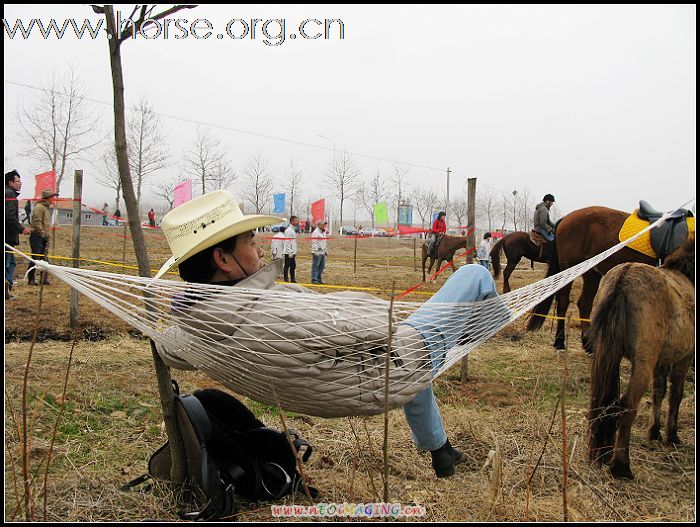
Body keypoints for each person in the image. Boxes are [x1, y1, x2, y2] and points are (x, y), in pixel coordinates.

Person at [153, 191, 506, 478]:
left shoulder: (193, 330)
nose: (260, 249)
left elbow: (167, 350)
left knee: (411, 371)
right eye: (250, 241)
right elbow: (379, 324)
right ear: (224, 259)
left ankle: (441, 451)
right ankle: (477, 332)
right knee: (473, 277)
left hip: (360, 375)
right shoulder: (272, 314)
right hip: (384, 370)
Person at [5, 170, 30, 299]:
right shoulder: (9, 194)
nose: (20, 183)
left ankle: (7, 290)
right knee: (7, 264)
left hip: (8, 237)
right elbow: (9, 216)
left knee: (11, 263)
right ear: (10, 182)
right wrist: (21, 229)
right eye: (18, 181)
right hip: (7, 237)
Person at [28, 188, 58, 286]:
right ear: (47, 198)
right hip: (37, 236)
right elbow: (37, 222)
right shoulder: (39, 207)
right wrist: (42, 233)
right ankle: (31, 279)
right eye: (52, 197)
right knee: (35, 257)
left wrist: (46, 235)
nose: (53, 199)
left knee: (44, 258)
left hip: (44, 236)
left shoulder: (46, 208)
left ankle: (43, 279)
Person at [311, 220, 329, 285]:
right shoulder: (315, 233)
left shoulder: (323, 232)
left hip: (323, 252)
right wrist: (315, 251)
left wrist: (326, 250)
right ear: (318, 225)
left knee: (321, 267)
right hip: (317, 252)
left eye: (325, 225)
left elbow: (325, 242)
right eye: (323, 225)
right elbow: (314, 242)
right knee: (315, 266)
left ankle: (319, 279)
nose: (324, 226)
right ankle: (314, 279)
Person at [283, 215, 299, 283]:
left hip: (292, 252)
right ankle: (286, 279)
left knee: (293, 266)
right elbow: (287, 242)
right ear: (291, 221)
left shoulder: (292, 230)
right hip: (288, 252)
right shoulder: (289, 230)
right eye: (295, 220)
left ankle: (292, 279)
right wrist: (290, 252)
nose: (297, 222)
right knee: (287, 266)